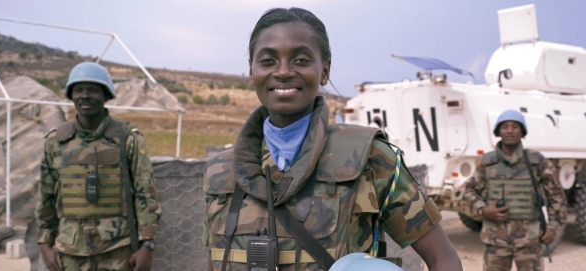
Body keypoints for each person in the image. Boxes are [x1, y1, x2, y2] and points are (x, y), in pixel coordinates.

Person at [202, 7, 462, 271]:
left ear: (324, 70)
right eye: (268, 60)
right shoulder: (221, 171)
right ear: (251, 72)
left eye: (301, 60)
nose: (282, 71)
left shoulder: (370, 157)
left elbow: (443, 258)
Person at [35, 62, 162, 271]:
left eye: (93, 90)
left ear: (106, 95)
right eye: (78, 90)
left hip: (118, 249)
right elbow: (46, 196)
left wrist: (147, 244)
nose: (85, 96)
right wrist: (44, 243)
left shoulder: (128, 139)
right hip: (70, 251)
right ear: (71, 95)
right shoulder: (55, 142)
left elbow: (145, 194)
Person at [464, 109, 567, 271]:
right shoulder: (487, 162)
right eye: (505, 127)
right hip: (495, 239)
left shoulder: (536, 161)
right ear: (499, 131)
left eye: (515, 127)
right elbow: (468, 191)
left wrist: (553, 227)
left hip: (528, 239)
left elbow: (556, 196)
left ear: (522, 131)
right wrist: (484, 210)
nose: (510, 131)